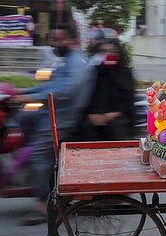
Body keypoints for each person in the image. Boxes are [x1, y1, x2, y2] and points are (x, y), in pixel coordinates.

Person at [12, 23, 89, 225]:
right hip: (52, 114)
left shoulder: (76, 63)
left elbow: (65, 91)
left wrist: (28, 99)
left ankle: (42, 206)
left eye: (58, 40)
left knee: (38, 154)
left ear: (72, 41)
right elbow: (51, 84)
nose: (54, 44)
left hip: (63, 119)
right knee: (21, 122)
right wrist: (23, 93)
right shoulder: (66, 62)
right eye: (52, 40)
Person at [78, 34, 136, 141]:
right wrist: (92, 115)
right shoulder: (93, 72)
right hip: (93, 119)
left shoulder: (124, 74)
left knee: (115, 128)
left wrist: (110, 115)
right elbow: (85, 97)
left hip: (117, 120)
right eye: (103, 51)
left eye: (112, 51)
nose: (107, 54)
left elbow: (127, 102)